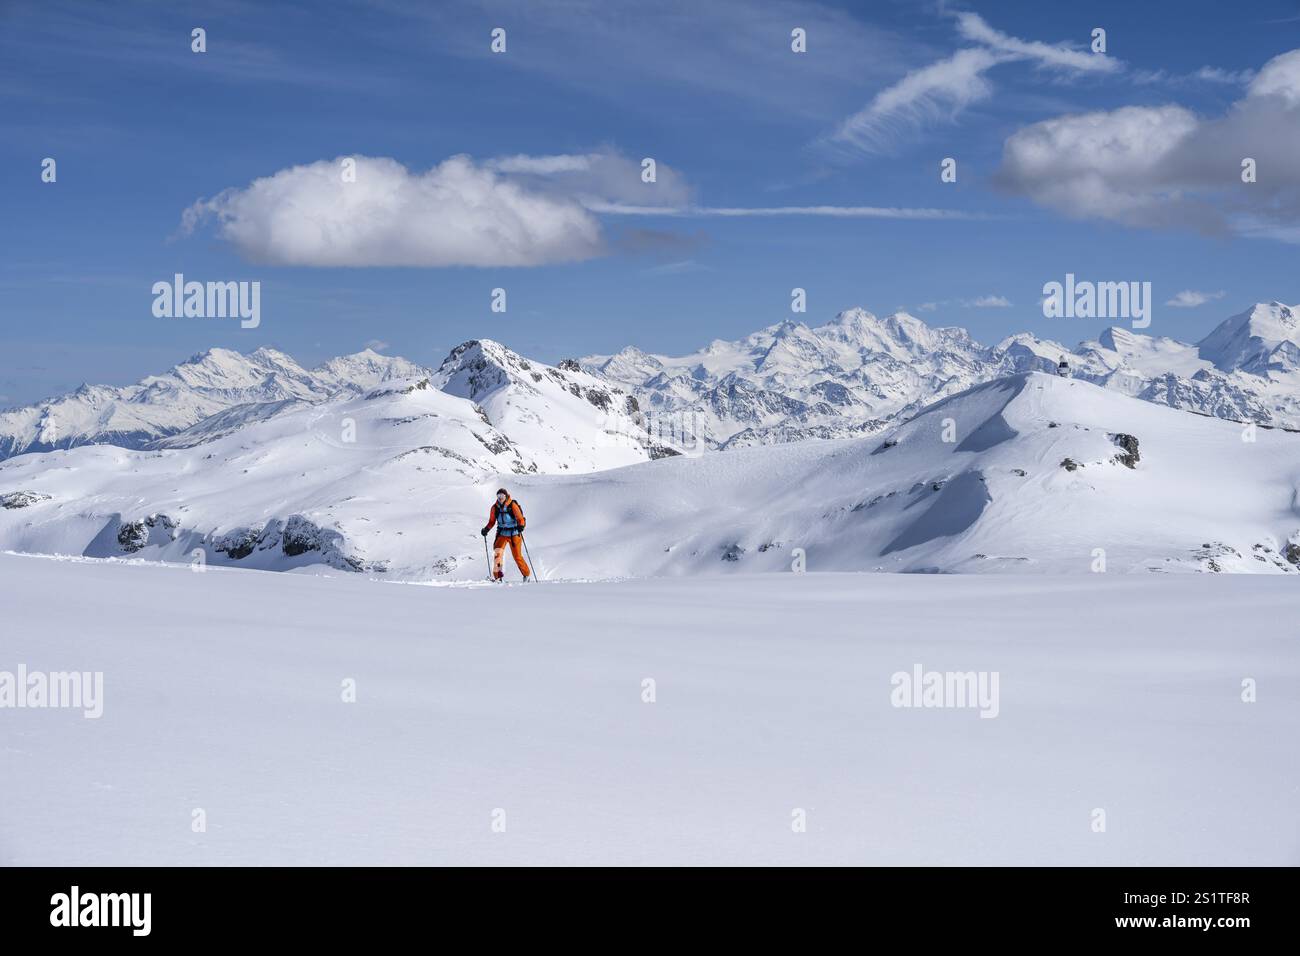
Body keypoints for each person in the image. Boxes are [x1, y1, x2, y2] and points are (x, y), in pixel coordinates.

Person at [481, 488, 530, 581]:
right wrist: (486, 529)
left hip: (514, 533)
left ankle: (526, 575)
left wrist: (521, 526)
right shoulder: (494, 508)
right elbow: (492, 521)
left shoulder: (512, 505)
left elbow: (520, 518)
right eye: (498, 496)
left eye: (502, 496)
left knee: (517, 556)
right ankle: (498, 577)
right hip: (502, 533)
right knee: (497, 554)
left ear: (506, 496)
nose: (500, 498)